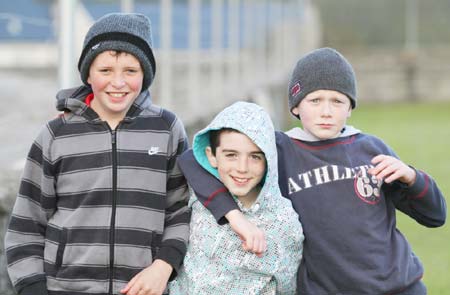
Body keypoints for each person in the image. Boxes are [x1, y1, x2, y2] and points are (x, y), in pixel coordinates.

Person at [177, 48, 447, 294]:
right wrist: (234, 217)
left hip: (399, 287)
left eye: (337, 101)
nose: (326, 111)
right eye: (315, 100)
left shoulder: (371, 148)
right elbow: (192, 160)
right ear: (295, 106)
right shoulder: (279, 150)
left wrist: (412, 177)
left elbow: (435, 215)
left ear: (350, 108)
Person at [5, 13, 190, 295]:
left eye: (131, 71)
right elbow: (26, 224)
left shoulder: (167, 129)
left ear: (146, 75)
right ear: (88, 74)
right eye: (105, 71)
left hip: (144, 289)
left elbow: (182, 210)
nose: (118, 83)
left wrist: (163, 266)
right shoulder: (56, 135)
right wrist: (33, 288)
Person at [169, 101, 304, 294]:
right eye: (231, 155)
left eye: (255, 157)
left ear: (269, 160)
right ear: (212, 156)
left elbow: (287, 287)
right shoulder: (197, 194)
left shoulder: (284, 222)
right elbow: (188, 159)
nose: (242, 167)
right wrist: (234, 216)